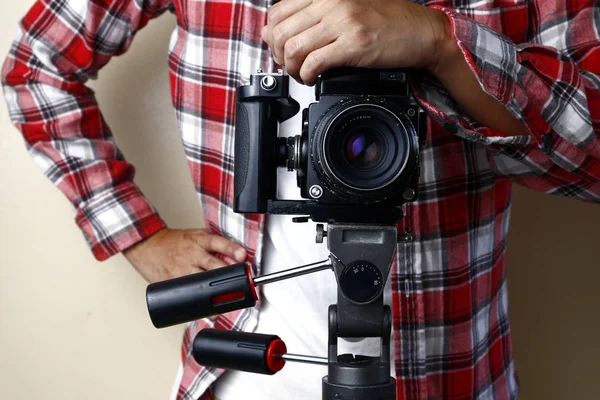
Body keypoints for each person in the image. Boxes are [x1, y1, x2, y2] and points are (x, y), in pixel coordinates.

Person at [2, 0, 599, 398]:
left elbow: (592, 153)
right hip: (250, 368)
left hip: (452, 372)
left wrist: (443, 42)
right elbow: (36, 66)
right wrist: (136, 234)